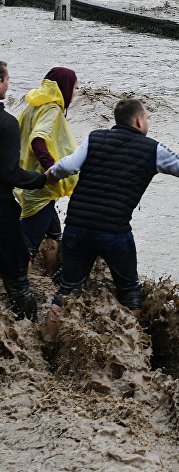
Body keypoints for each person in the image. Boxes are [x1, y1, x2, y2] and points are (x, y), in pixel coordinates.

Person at [45, 98, 179, 340]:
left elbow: (63, 168)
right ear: (139, 120)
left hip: (76, 227)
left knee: (68, 290)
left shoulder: (95, 138)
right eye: (147, 118)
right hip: (114, 232)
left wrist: (41, 181)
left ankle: (49, 344)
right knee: (130, 293)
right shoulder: (153, 149)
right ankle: (128, 354)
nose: (148, 122)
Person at [15, 67, 79, 274]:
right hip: (40, 190)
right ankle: (18, 294)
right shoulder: (51, 109)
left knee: (54, 235)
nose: (76, 92)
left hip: (27, 183)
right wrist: (51, 170)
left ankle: (50, 277)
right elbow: (38, 139)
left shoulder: (32, 107)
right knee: (27, 248)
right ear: (65, 88)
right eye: (75, 87)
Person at [0, 61, 47, 321]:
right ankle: (28, 339)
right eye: (7, 79)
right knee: (18, 279)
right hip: (2, 209)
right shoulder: (6, 124)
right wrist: (41, 180)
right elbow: (9, 173)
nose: (9, 84)